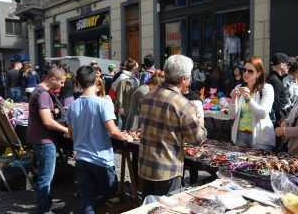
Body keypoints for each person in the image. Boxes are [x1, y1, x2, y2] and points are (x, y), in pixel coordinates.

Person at [138, 55, 207, 199]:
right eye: (189, 76)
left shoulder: (147, 97)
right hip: (167, 170)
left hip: (146, 166)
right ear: (183, 79)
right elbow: (197, 139)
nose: (190, 80)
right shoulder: (183, 104)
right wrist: (201, 122)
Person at [67, 66, 133, 214]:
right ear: (96, 81)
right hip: (100, 159)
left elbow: (70, 134)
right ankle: (88, 205)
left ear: (78, 82)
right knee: (110, 189)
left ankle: (87, 206)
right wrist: (126, 136)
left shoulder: (72, 105)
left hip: (82, 158)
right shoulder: (102, 103)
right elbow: (113, 131)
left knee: (87, 194)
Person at [27, 66, 68, 213]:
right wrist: (66, 130)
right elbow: (47, 121)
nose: (62, 85)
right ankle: (44, 209)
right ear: (52, 80)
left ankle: (47, 203)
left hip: (40, 139)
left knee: (44, 175)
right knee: (46, 177)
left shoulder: (38, 91)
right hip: (45, 141)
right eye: (61, 82)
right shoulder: (43, 94)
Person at [229, 57, 275, 150]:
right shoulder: (239, 87)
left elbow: (262, 114)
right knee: (240, 164)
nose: (246, 73)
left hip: (260, 138)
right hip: (240, 135)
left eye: (250, 71)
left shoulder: (267, 88)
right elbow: (232, 115)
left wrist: (248, 98)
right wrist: (233, 99)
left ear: (259, 73)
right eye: (244, 70)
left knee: (257, 164)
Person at [267, 53, 293, 125]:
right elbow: (274, 105)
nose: (289, 67)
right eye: (288, 64)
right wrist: (279, 120)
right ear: (282, 65)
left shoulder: (275, 79)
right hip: (276, 123)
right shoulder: (275, 81)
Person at [113, 58, 139, 123]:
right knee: (124, 125)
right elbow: (120, 94)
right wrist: (121, 107)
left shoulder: (135, 78)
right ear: (133, 67)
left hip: (133, 106)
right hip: (125, 107)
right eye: (137, 66)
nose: (138, 68)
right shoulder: (123, 78)